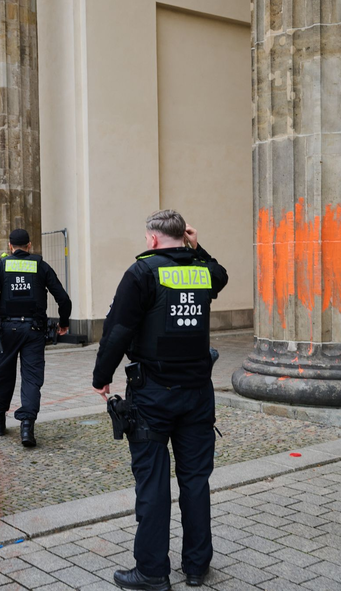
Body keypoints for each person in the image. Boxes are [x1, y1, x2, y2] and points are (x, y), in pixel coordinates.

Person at [92, 210, 228, 590]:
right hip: (198, 394)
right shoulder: (202, 271)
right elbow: (221, 274)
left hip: (152, 395)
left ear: (152, 239)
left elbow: (118, 330)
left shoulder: (141, 273)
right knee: (195, 481)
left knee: (152, 485)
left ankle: (152, 572)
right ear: (182, 237)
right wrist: (197, 247)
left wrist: (101, 377)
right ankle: (197, 566)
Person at [0, 228, 71, 447]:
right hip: (34, 330)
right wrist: (64, 322)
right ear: (29, 245)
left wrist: (0, 306)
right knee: (32, 378)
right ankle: (27, 427)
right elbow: (63, 299)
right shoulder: (40, 265)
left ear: (10, 246)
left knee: (3, 374)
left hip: (8, 330)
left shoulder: (2, 265)